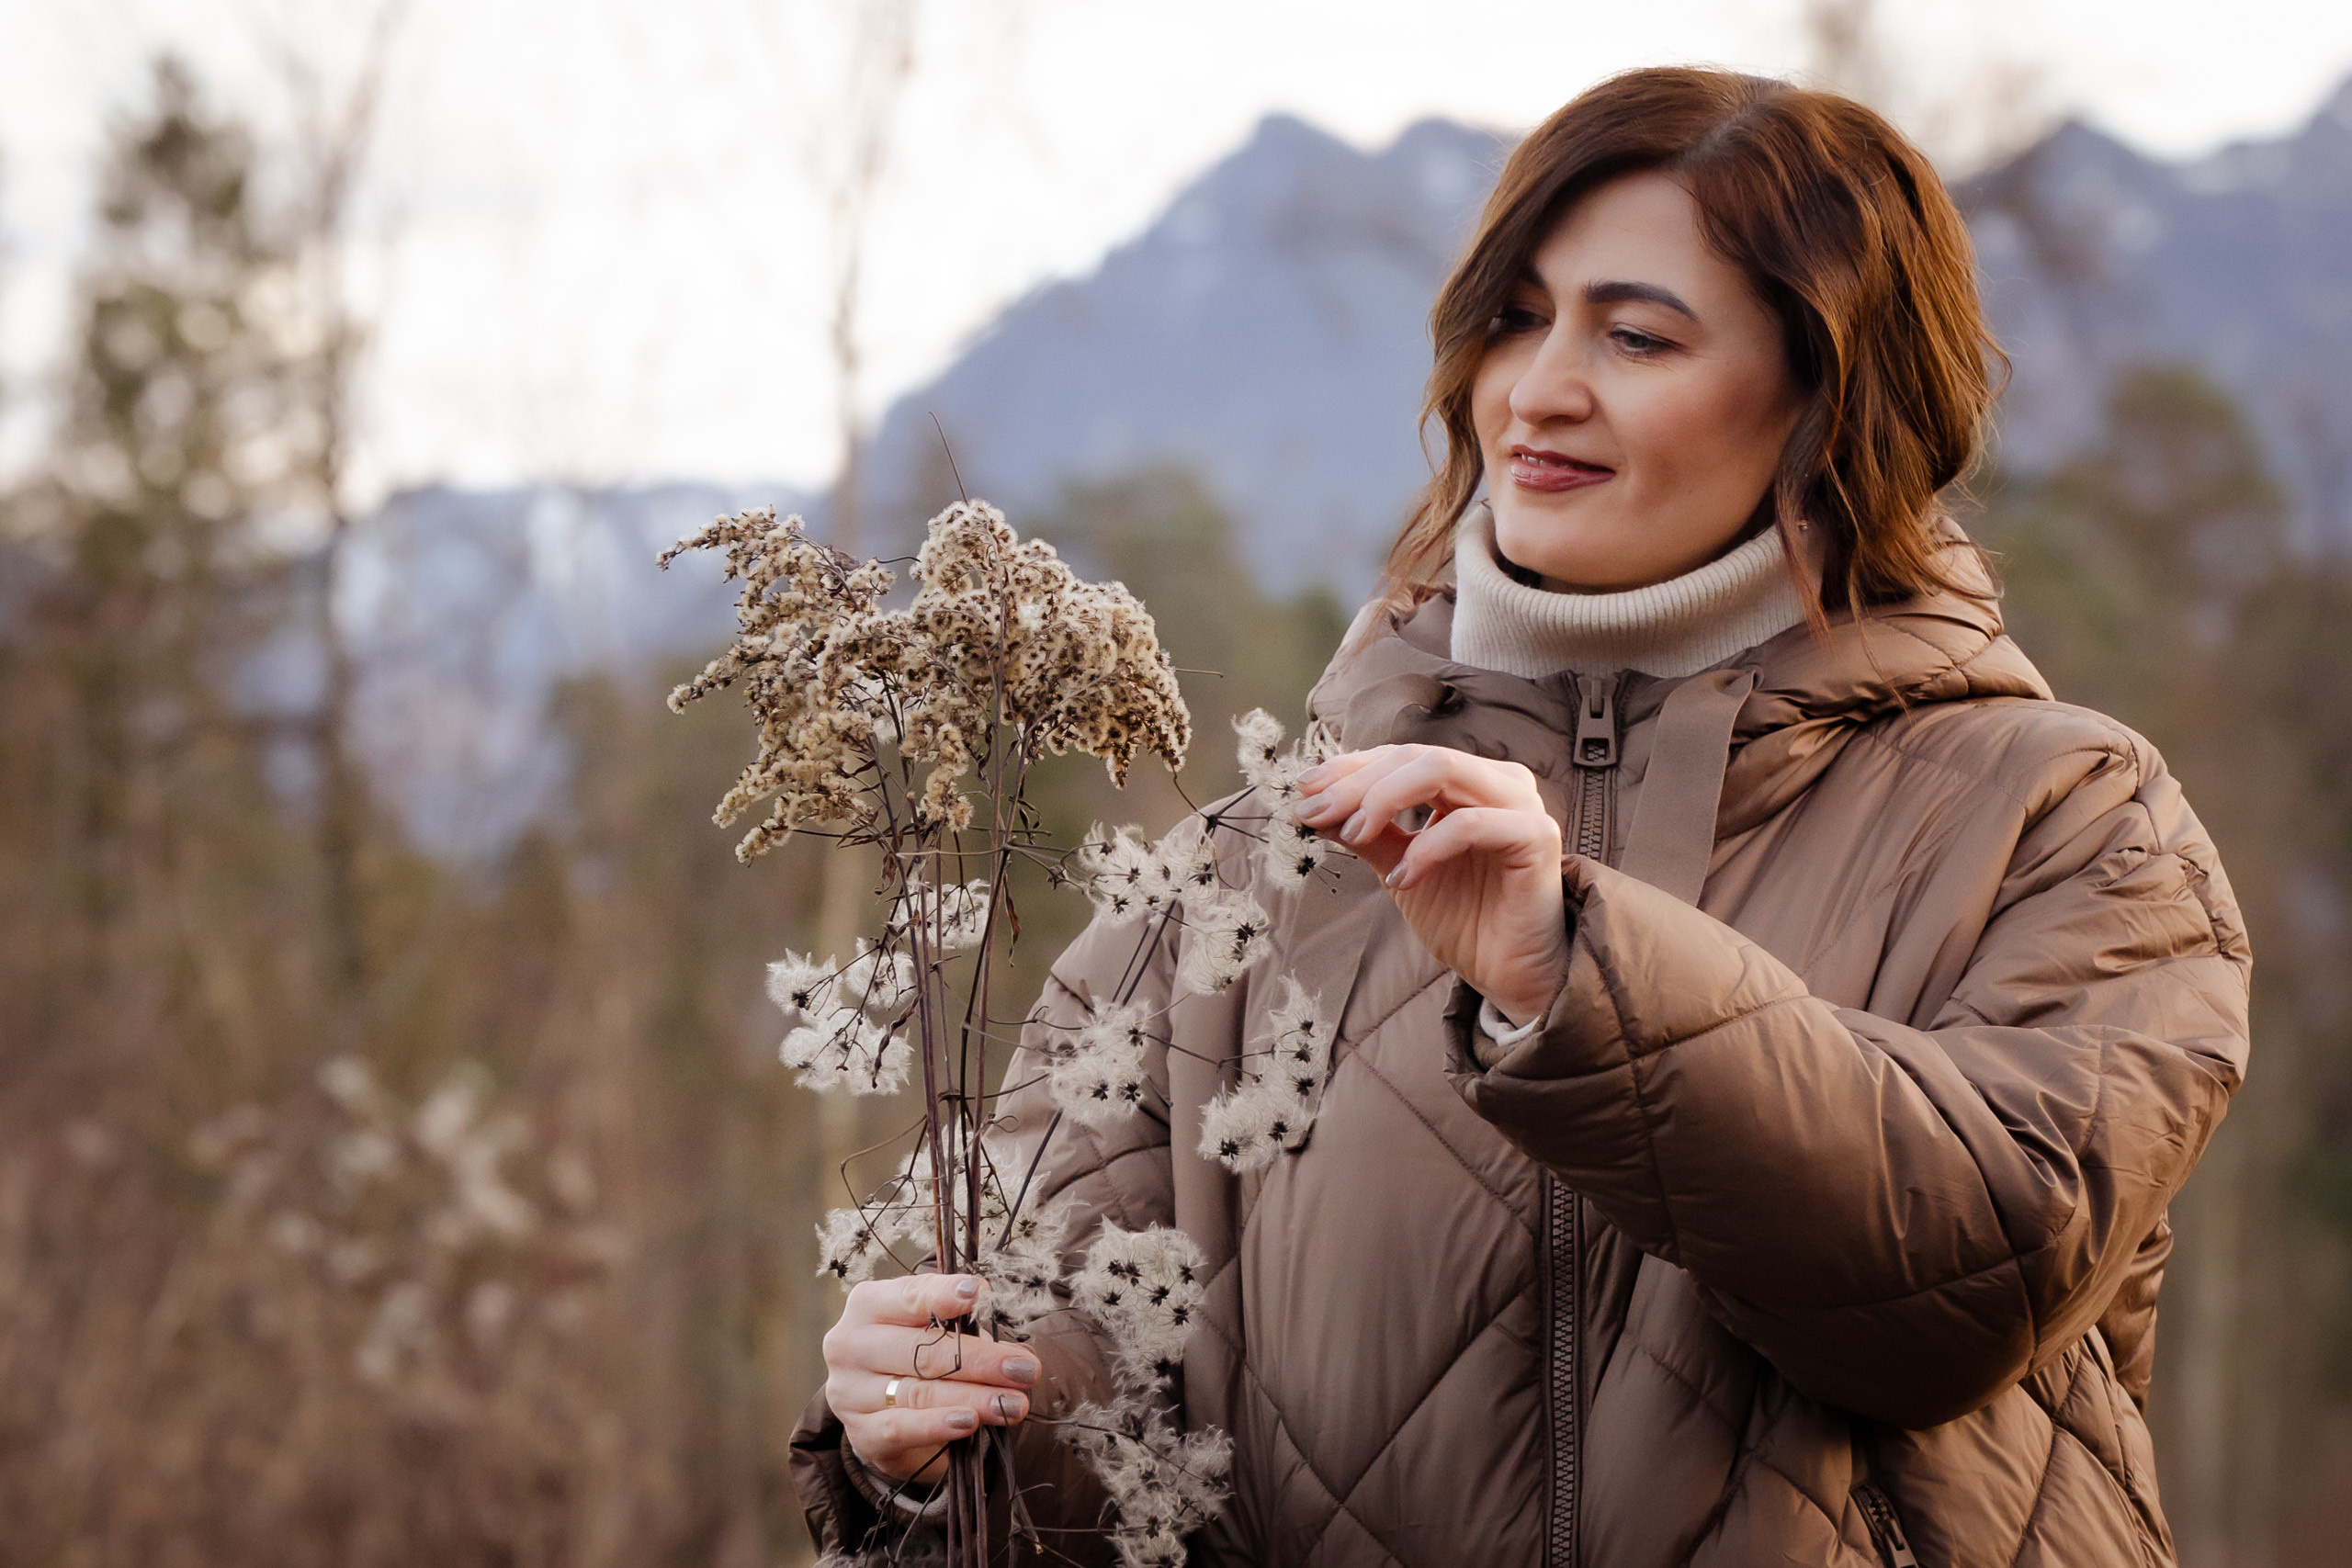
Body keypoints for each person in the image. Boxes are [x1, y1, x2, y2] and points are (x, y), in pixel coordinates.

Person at [791, 66, 2249, 1567]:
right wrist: (946, 1430)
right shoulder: (1230, 876)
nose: (1537, 388)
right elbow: (1130, 1460)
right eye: (1515, 316)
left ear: (1830, 389)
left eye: (1635, 334)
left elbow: (1964, 1279)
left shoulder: (2066, 818)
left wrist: (1579, 980)